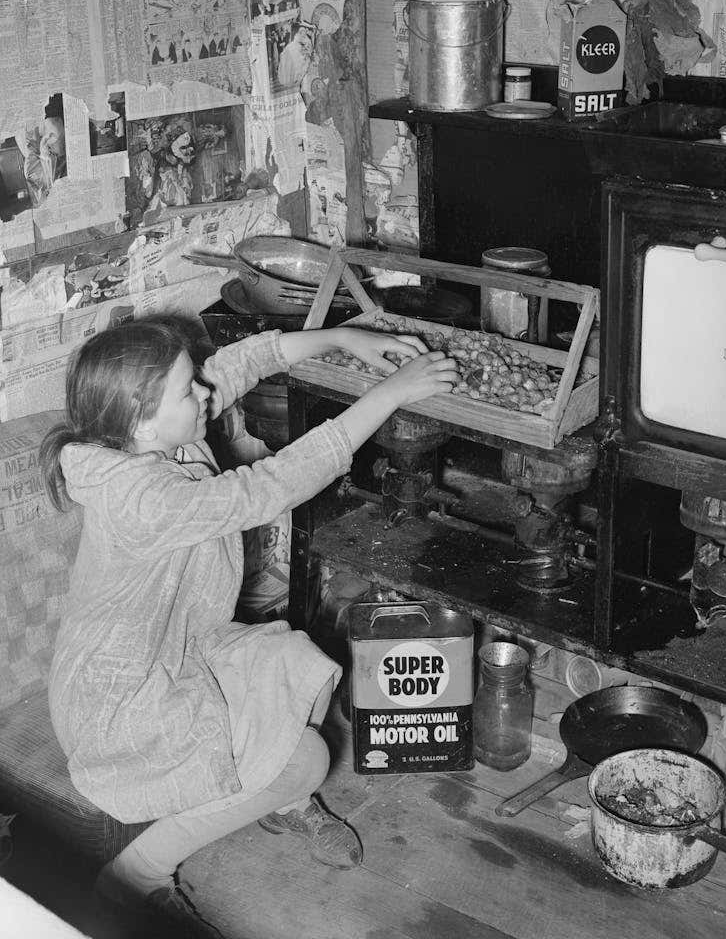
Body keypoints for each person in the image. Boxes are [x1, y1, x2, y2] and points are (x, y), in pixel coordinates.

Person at [40, 315, 457, 930]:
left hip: (178, 650)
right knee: (309, 758)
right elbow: (271, 485)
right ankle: (134, 876)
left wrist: (343, 338)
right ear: (140, 418)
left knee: (301, 670)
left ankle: (275, 799)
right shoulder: (143, 499)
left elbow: (233, 366)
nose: (204, 393)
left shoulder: (145, 438)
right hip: (121, 698)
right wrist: (390, 395)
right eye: (188, 391)